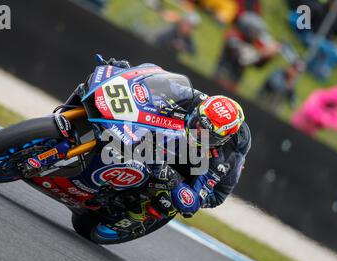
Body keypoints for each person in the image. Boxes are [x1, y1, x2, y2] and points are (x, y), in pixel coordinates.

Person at [65, 58, 251, 219]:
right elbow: (161, 83)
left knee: (166, 200)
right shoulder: (199, 102)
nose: (198, 129)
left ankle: (130, 209)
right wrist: (126, 72)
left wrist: (174, 180)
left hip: (204, 175)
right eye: (198, 123)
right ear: (200, 110)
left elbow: (192, 202)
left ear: (221, 139)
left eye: (206, 132)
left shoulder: (223, 159)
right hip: (182, 139)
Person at [215, 12, 279, 92]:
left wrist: (269, 57)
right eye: (255, 32)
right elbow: (242, 58)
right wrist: (263, 53)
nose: (257, 35)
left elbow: (257, 65)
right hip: (221, 78)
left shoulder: (250, 43)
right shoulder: (233, 36)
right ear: (248, 29)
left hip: (233, 82)